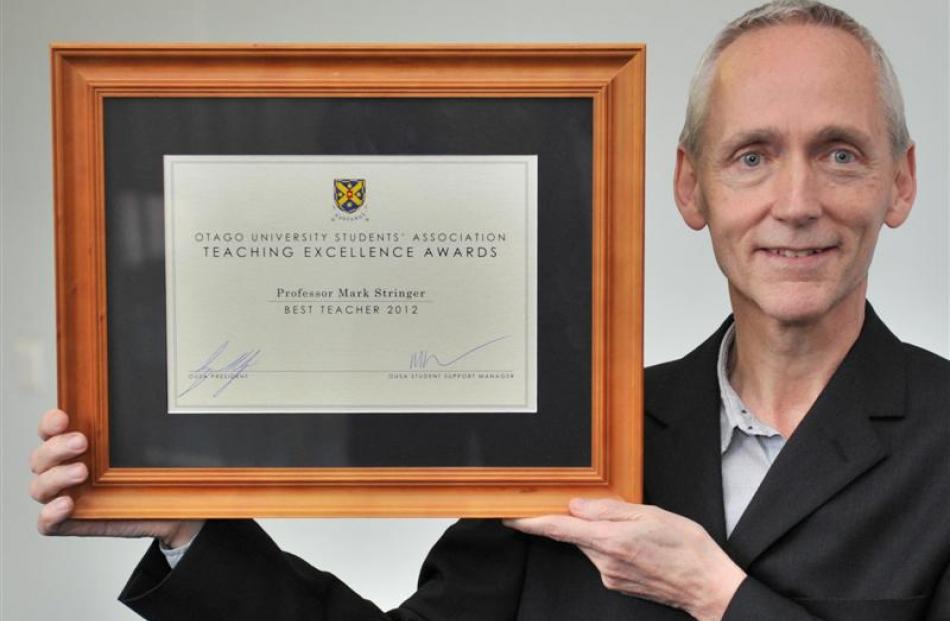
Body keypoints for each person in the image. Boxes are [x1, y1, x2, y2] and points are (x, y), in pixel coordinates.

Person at [29, 1, 950, 619]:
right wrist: (186, 526)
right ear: (691, 185)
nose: (795, 201)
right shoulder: (574, 436)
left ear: (899, 183)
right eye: (751, 155)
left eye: (839, 153)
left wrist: (715, 591)